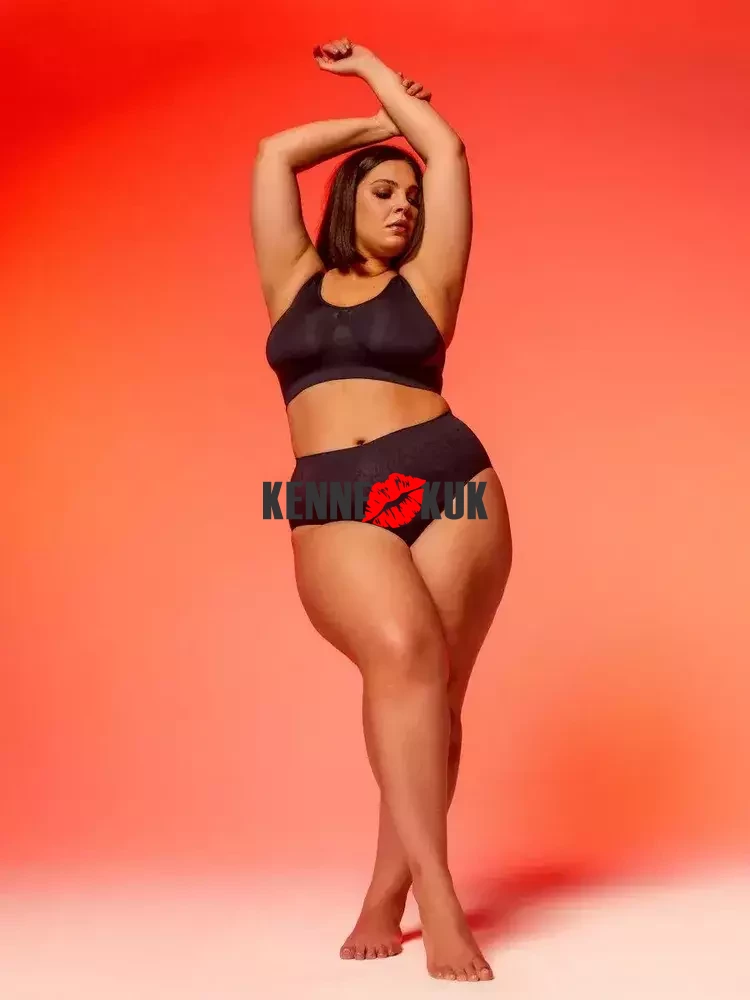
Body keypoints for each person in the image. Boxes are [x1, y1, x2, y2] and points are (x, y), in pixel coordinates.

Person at [252, 37, 513, 984]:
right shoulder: (291, 277)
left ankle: (386, 890)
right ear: (347, 201)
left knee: (436, 695)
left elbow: (448, 152)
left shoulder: (429, 280)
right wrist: (375, 116)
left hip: (451, 480)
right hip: (335, 492)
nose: (405, 204)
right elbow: (275, 153)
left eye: (411, 197)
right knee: (399, 651)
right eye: (383, 190)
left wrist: (378, 74)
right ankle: (439, 895)